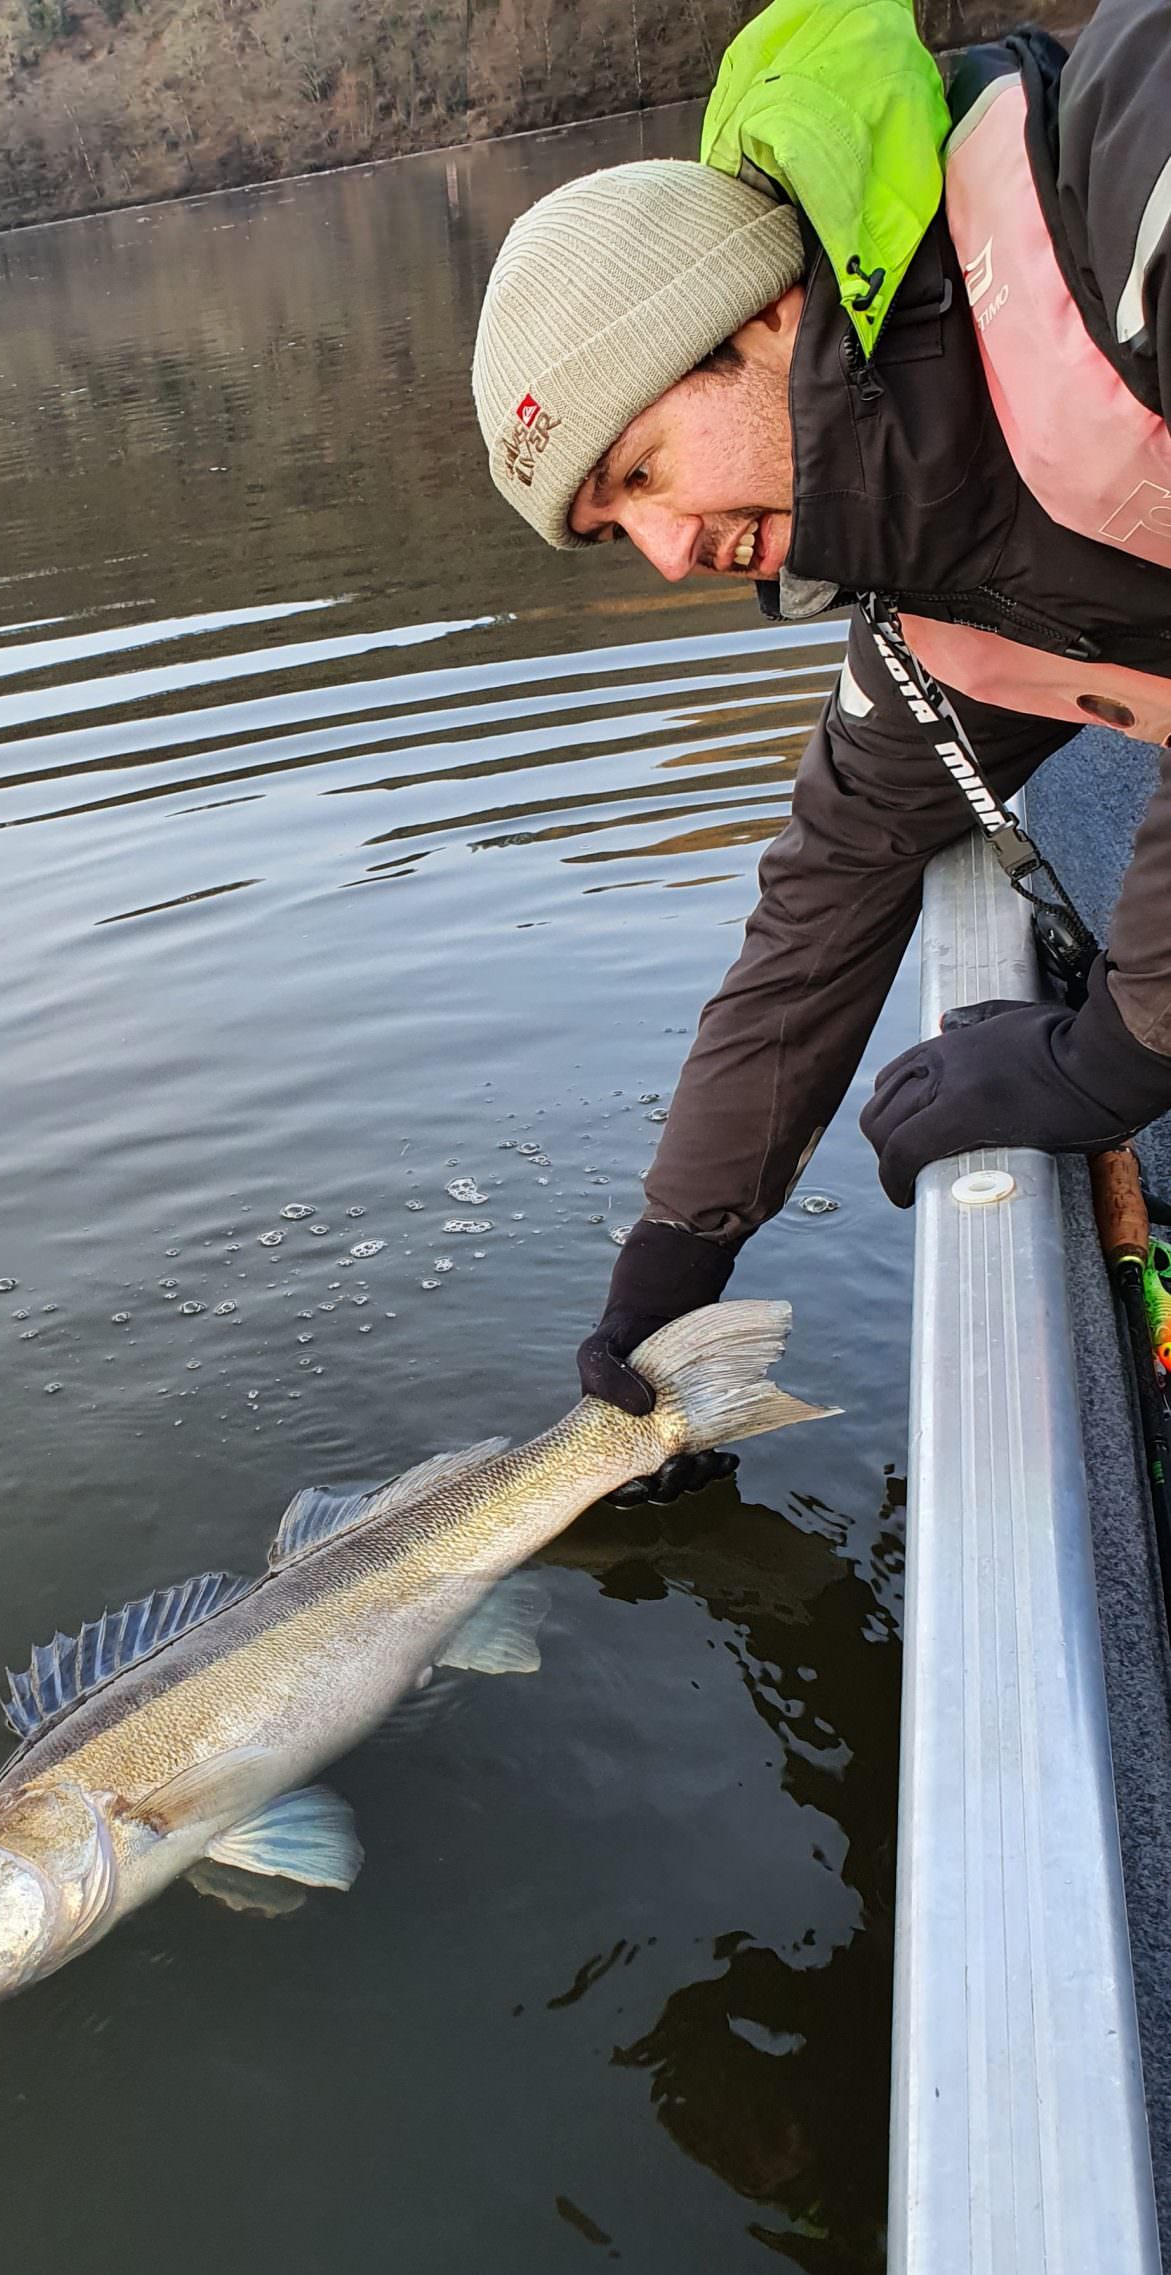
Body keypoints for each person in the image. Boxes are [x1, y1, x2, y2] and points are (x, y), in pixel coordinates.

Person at [471, 0, 1171, 1482]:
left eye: (643, 471)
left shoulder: (1128, 172)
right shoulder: (926, 601)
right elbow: (820, 903)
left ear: (766, 319)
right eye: (616, 530)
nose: (666, 555)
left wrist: (1119, 1046)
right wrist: (667, 1278)